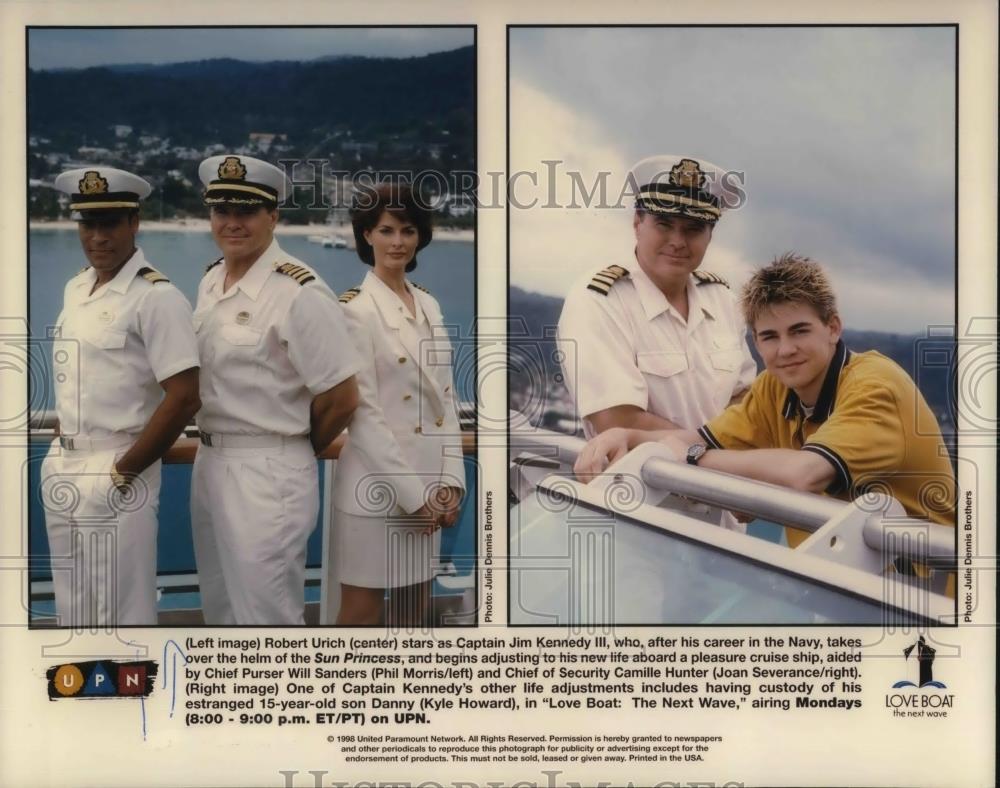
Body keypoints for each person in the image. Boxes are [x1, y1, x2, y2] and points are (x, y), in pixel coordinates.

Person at [576, 254, 956, 571]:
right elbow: (700, 437)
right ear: (755, 343)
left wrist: (695, 459)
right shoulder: (774, 388)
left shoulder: (874, 386)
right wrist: (629, 437)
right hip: (842, 579)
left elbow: (803, 474)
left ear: (833, 327)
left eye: (799, 330)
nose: (785, 349)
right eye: (769, 337)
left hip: (925, 591)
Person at [190, 154, 361, 625]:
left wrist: (292, 447)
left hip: (269, 471)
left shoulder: (300, 293)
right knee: (220, 610)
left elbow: (342, 397)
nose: (232, 222)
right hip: (209, 462)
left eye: (245, 211)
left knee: (268, 619)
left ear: (273, 215)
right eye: (222, 211)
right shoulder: (211, 280)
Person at [557, 154, 756, 530]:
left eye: (694, 228)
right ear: (637, 223)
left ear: (710, 235)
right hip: (639, 516)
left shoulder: (722, 300)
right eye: (664, 224)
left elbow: (747, 399)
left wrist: (744, 467)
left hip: (724, 520)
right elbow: (616, 418)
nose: (678, 242)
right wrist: (723, 464)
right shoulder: (599, 300)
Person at [43, 166, 201, 627]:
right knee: (74, 613)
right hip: (65, 465)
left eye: (110, 223)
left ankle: (129, 699)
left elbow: (185, 396)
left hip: (118, 468)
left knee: (122, 615)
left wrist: (125, 471)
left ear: (134, 223)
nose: (98, 236)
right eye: (88, 224)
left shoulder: (157, 297)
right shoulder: (77, 287)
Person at [332, 182, 466, 626]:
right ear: (366, 235)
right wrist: (414, 498)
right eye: (386, 230)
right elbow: (364, 414)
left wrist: (450, 482)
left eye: (408, 231)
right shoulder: (354, 310)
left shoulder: (427, 303)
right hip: (378, 487)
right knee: (362, 612)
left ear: (420, 237)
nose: (397, 242)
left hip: (429, 483)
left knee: (414, 608)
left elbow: (445, 399)